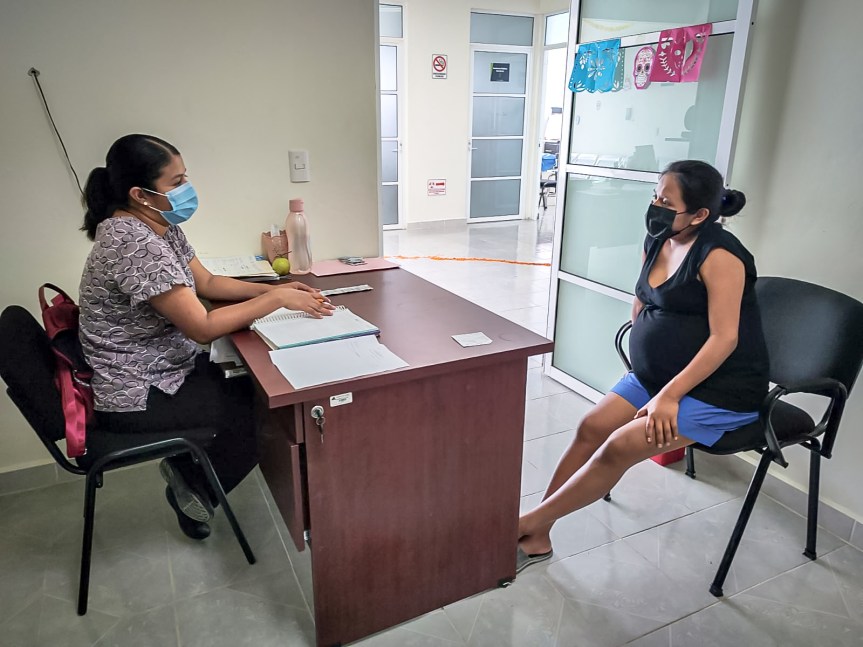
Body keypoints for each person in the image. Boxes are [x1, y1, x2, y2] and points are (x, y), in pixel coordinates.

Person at [78, 134, 334, 540]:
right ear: (140, 194)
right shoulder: (131, 243)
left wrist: (277, 288)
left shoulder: (159, 225)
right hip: (137, 391)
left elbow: (209, 283)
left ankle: (189, 470)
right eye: (176, 181)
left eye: (186, 177)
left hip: (164, 367)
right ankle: (194, 484)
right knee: (266, 411)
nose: (187, 188)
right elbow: (202, 326)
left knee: (256, 387)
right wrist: (276, 300)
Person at [517, 160, 769, 571]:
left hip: (718, 390)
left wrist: (669, 395)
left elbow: (725, 338)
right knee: (591, 427)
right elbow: (644, 301)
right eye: (655, 196)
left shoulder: (720, 256)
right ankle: (539, 532)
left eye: (667, 202)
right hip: (657, 377)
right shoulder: (658, 239)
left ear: (700, 215)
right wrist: (646, 357)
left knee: (618, 447)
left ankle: (523, 525)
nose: (655, 207)